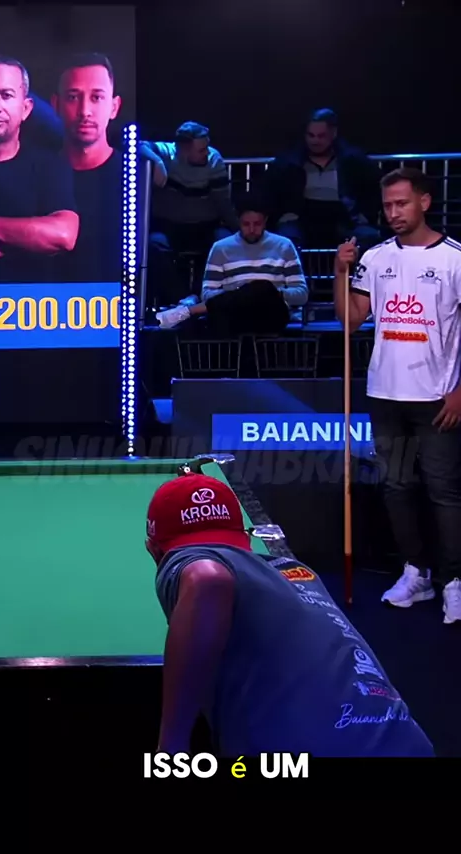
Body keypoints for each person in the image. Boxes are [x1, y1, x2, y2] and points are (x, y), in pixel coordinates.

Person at [146, 469, 434, 756]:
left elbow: (208, 579)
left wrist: (170, 748)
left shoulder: (189, 559)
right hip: (408, 742)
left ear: (154, 550)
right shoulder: (299, 573)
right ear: (245, 538)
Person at [334, 167, 461, 625]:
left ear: (424, 202)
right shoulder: (375, 258)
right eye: (387, 205)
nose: (393, 212)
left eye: (401, 203)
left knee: (444, 491)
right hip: (385, 392)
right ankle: (416, 573)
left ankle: (453, 581)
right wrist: (340, 271)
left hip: (438, 395)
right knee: (397, 487)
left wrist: (460, 392)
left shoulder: (454, 258)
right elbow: (350, 320)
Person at [0, 54, 79, 284]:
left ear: (25, 108)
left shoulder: (50, 166)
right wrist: (30, 241)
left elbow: (63, 235)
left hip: (33, 304)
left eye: (6, 95)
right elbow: (48, 240)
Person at [155, 196, 308, 334]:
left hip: (271, 315)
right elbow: (207, 294)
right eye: (246, 224)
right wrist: (242, 294)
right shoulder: (221, 248)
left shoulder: (284, 246)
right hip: (233, 315)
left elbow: (301, 294)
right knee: (255, 290)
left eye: (257, 224)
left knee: (263, 288)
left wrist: (272, 294)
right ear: (238, 221)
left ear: (265, 221)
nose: (252, 230)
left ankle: (189, 311)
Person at [140, 122, 238, 306]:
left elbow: (223, 203)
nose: (207, 152)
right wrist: (157, 161)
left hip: (205, 226)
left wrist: (238, 230)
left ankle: (203, 300)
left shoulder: (214, 160)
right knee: (154, 246)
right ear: (183, 149)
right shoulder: (166, 152)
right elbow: (133, 144)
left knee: (224, 242)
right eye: (201, 150)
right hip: (169, 226)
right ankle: (180, 300)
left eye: (207, 147)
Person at [263, 108, 380, 252]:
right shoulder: (289, 162)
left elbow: (374, 190)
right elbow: (268, 192)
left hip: (346, 219)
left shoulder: (353, 161)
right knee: (286, 238)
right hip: (299, 220)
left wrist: (364, 216)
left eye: (321, 136)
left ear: (333, 134)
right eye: (311, 135)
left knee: (368, 236)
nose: (315, 141)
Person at [51, 53, 123, 282]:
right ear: (56, 105)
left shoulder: (134, 176)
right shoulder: (36, 174)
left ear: (114, 107)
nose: (85, 111)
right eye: (73, 97)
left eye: (97, 97)